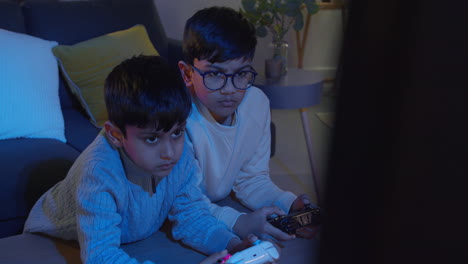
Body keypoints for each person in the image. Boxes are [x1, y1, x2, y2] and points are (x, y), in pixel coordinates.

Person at [23, 55, 256, 264]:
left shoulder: (181, 152)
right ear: (115, 135)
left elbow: (191, 215)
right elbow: (100, 256)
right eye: (152, 139)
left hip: (129, 238)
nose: (170, 152)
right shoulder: (98, 171)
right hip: (52, 242)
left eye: (177, 132)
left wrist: (233, 246)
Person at [178, 6, 317, 241]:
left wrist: (288, 203)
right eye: (215, 74)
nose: (230, 90)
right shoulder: (178, 121)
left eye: (241, 73)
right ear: (188, 73)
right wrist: (238, 221)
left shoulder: (256, 103)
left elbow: (251, 179)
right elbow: (183, 205)